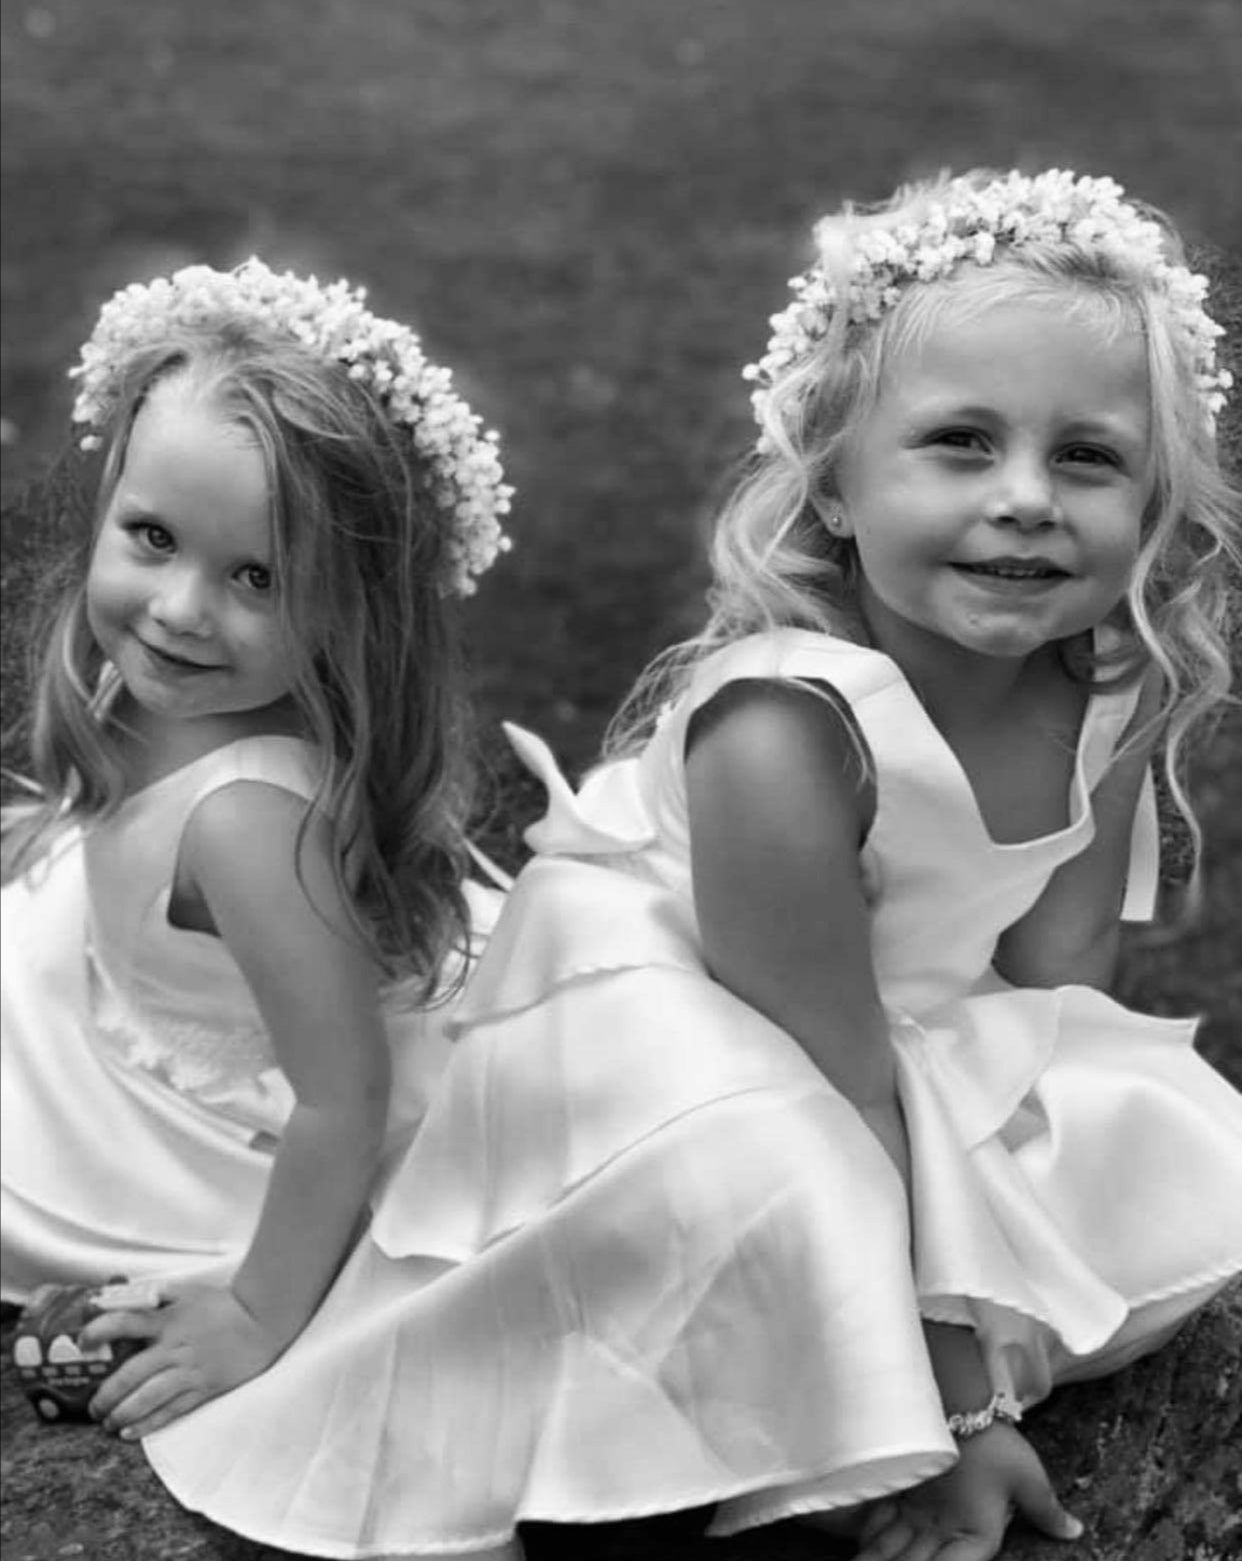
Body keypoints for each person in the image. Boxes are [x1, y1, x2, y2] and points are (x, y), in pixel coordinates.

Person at [68, 170, 1242, 1561]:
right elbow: (830, 1085)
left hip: (865, 1025)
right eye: (962, 444)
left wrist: (1020, 1158)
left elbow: (1049, 989)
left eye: (1088, 458)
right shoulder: (783, 734)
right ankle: (796, 1412)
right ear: (837, 481)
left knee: (1129, 1109)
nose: (1027, 500)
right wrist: (959, 1399)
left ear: (1156, 498)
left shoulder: (1104, 683)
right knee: (779, 1177)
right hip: (676, 1020)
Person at [1, 258, 512, 1439]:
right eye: (152, 536)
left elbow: (345, 1099)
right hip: (120, 1009)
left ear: (352, 610)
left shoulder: (247, 823)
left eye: (256, 577)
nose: (180, 608)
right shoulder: (150, 686)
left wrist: (255, 1310)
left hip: (245, 1124)